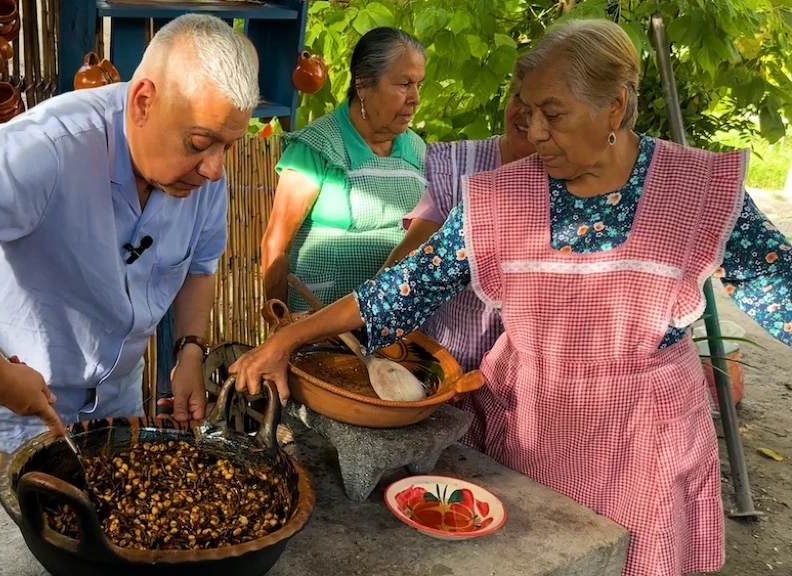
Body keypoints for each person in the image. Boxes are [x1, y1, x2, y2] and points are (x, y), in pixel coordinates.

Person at [230, 18, 792, 576]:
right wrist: (292, 336)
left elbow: (780, 291)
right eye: (527, 114)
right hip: (530, 432)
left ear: (615, 107)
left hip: (645, 445)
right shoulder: (503, 196)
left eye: (554, 114)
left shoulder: (695, 189)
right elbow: (405, 287)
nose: (535, 133)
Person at [0, 14, 259, 498]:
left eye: (228, 145)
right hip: (18, 410)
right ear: (143, 101)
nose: (213, 168)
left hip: (114, 406)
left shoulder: (204, 172)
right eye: (200, 144)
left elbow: (200, 264)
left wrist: (189, 349)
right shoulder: (51, 149)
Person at [261, 27, 427, 312]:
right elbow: (276, 244)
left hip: (397, 329)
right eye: (404, 85)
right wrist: (282, 329)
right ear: (363, 83)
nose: (415, 98)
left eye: (418, 85)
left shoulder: (417, 150)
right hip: (319, 331)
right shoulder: (317, 147)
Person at [382, 91, 534, 374]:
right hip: (448, 357)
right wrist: (373, 321)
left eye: (541, 106)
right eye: (518, 95)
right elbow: (409, 262)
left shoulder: (575, 178)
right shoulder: (462, 167)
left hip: (520, 374)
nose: (525, 112)